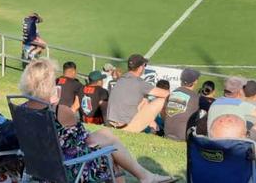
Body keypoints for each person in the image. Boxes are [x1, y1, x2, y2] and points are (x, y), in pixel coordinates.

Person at [20, 58, 177, 183]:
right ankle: (145, 177)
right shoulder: (59, 112)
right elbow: (83, 138)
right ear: (48, 84)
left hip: (41, 169)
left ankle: (146, 176)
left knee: (107, 136)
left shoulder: (22, 109)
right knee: (109, 154)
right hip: (68, 171)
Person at [207, 77, 256, 147]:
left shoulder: (215, 103)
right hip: (237, 145)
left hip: (215, 142)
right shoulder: (241, 104)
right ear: (240, 91)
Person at [106, 54, 170, 133]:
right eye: (144, 65)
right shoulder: (139, 83)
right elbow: (166, 94)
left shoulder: (121, 80)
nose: (144, 68)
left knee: (144, 100)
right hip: (126, 127)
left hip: (111, 124)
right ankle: (168, 130)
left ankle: (156, 127)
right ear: (140, 68)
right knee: (162, 101)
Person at [163, 68, 200, 141]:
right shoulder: (196, 97)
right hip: (183, 137)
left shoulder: (172, 93)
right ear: (195, 81)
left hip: (167, 133)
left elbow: (163, 112)